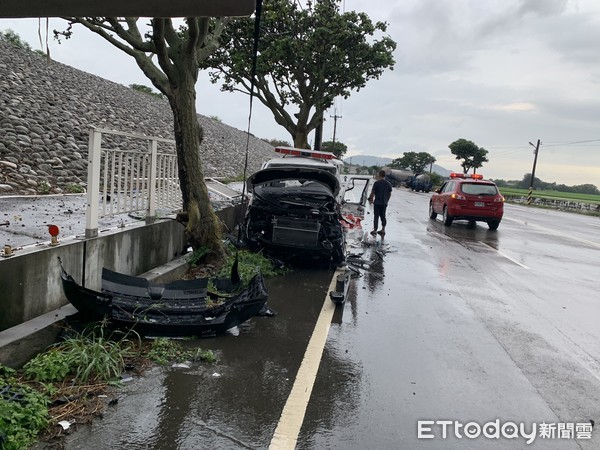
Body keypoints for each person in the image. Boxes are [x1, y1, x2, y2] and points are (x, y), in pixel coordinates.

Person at [368, 170, 392, 236]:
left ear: (379, 175)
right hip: (384, 203)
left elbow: (373, 192)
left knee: (376, 216)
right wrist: (387, 201)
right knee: (383, 216)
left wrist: (371, 199)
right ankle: (383, 229)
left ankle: (375, 230)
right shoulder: (388, 184)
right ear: (384, 175)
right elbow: (389, 194)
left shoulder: (376, 183)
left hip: (377, 203)